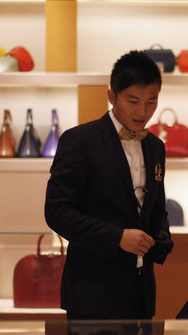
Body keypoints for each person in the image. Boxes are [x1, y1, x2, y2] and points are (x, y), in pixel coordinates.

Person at [45, 50, 173, 320]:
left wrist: (161, 238)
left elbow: (156, 207)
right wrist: (117, 238)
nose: (143, 111)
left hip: (142, 292)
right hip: (93, 291)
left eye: (151, 102)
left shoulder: (155, 146)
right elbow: (57, 212)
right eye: (133, 101)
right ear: (112, 97)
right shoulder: (79, 141)